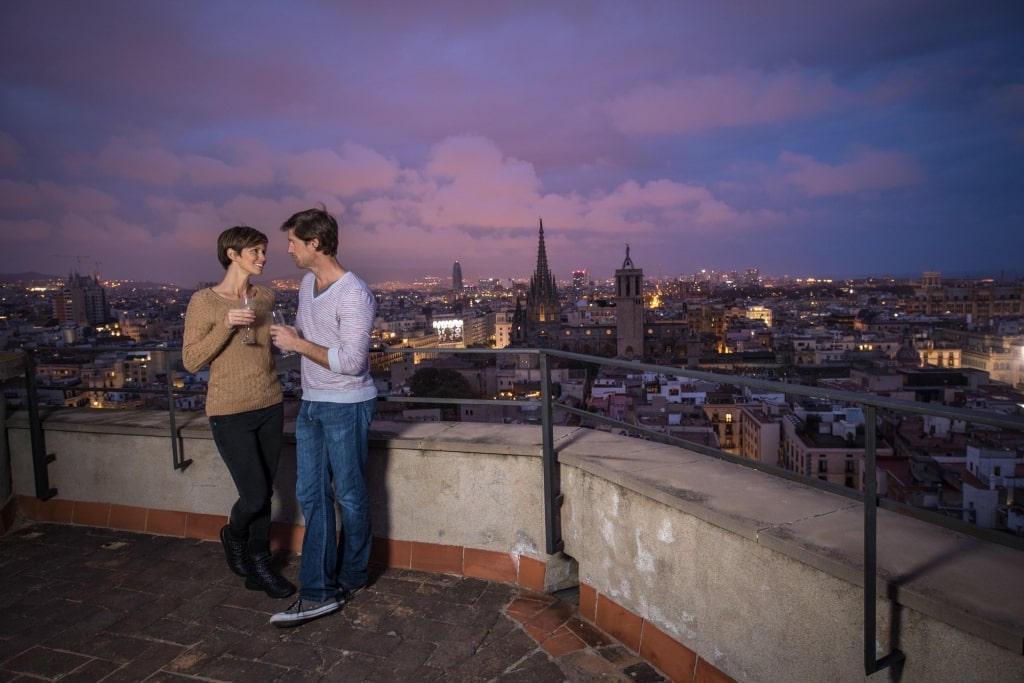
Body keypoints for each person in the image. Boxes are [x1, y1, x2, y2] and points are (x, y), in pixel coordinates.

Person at [267, 206, 377, 628]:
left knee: (349, 495)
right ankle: (324, 584)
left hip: (347, 404)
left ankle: (341, 580)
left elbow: (351, 362)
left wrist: (297, 346)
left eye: (293, 241)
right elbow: (304, 339)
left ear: (315, 244)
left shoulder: (354, 294)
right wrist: (283, 342)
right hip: (312, 402)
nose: (288, 249)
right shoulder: (306, 283)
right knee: (312, 495)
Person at [183, 226, 295, 600]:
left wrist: (287, 338)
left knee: (262, 494)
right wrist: (227, 326)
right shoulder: (204, 301)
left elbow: (264, 351)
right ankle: (234, 535)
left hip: (269, 403)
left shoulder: (265, 297)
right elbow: (191, 360)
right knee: (255, 494)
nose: (263, 257)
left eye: (264, 251)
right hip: (229, 410)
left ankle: (259, 564)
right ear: (232, 254)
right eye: (256, 251)